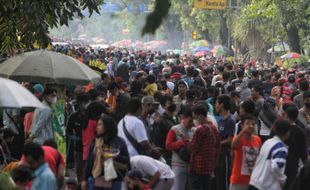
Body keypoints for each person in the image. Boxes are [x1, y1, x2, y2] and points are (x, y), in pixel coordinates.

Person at [82, 116, 130, 190]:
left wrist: (115, 156)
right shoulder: (96, 141)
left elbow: (127, 160)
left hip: (114, 180)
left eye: (100, 124)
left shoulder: (119, 141)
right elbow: (89, 161)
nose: (97, 127)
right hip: (96, 178)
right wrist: (84, 179)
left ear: (107, 126)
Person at [248, 119, 291, 190]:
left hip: (254, 181)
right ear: (287, 133)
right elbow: (276, 167)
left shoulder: (267, 142)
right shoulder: (281, 148)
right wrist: (283, 180)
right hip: (265, 185)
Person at [188, 105, 221, 190]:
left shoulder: (200, 130)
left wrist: (188, 141)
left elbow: (193, 148)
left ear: (201, 116)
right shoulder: (214, 128)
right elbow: (218, 146)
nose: (194, 121)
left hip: (197, 166)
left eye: (195, 118)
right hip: (209, 166)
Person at [165, 106, 195, 190]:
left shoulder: (194, 130)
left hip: (191, 166)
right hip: (178, 166)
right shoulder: (174, 129)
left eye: (193, 120)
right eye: (190, 121)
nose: (192, 123)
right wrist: (181, 143)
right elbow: (168, 145)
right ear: (183, 118)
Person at [230, 114, 261, 190]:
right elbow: (233, 146)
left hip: (252, 181)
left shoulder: (257, 139)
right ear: (242, 125)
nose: (251, 126)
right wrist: (243, 131)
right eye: (247, 123)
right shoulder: (238, 138)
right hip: (238, 181)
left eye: (253, 124)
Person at [281, 104, 308, 190]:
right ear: (296, 117)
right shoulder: (301, 132)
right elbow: (303, 153)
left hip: (280, 161)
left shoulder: (281, 128)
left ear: (287, 115)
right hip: (293, 165)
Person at [66, 92, 90, 182]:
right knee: (79, 171)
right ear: (80, 103)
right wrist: (75, 139)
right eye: (85, 102)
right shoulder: (74, 116)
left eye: (88, 101)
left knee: (88, 172)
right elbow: (68, 131)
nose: (87, 104)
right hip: (79, 149)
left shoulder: (92, 116)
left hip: (90, 149)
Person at [215, 95, 236, 190]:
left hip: (225, 156)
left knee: (224, 182)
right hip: (218, 154)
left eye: (217, 103)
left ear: (221, 105)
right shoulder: (220, 120)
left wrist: (217, 144)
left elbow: (230, 139)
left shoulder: (230, 120)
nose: (215, 105)